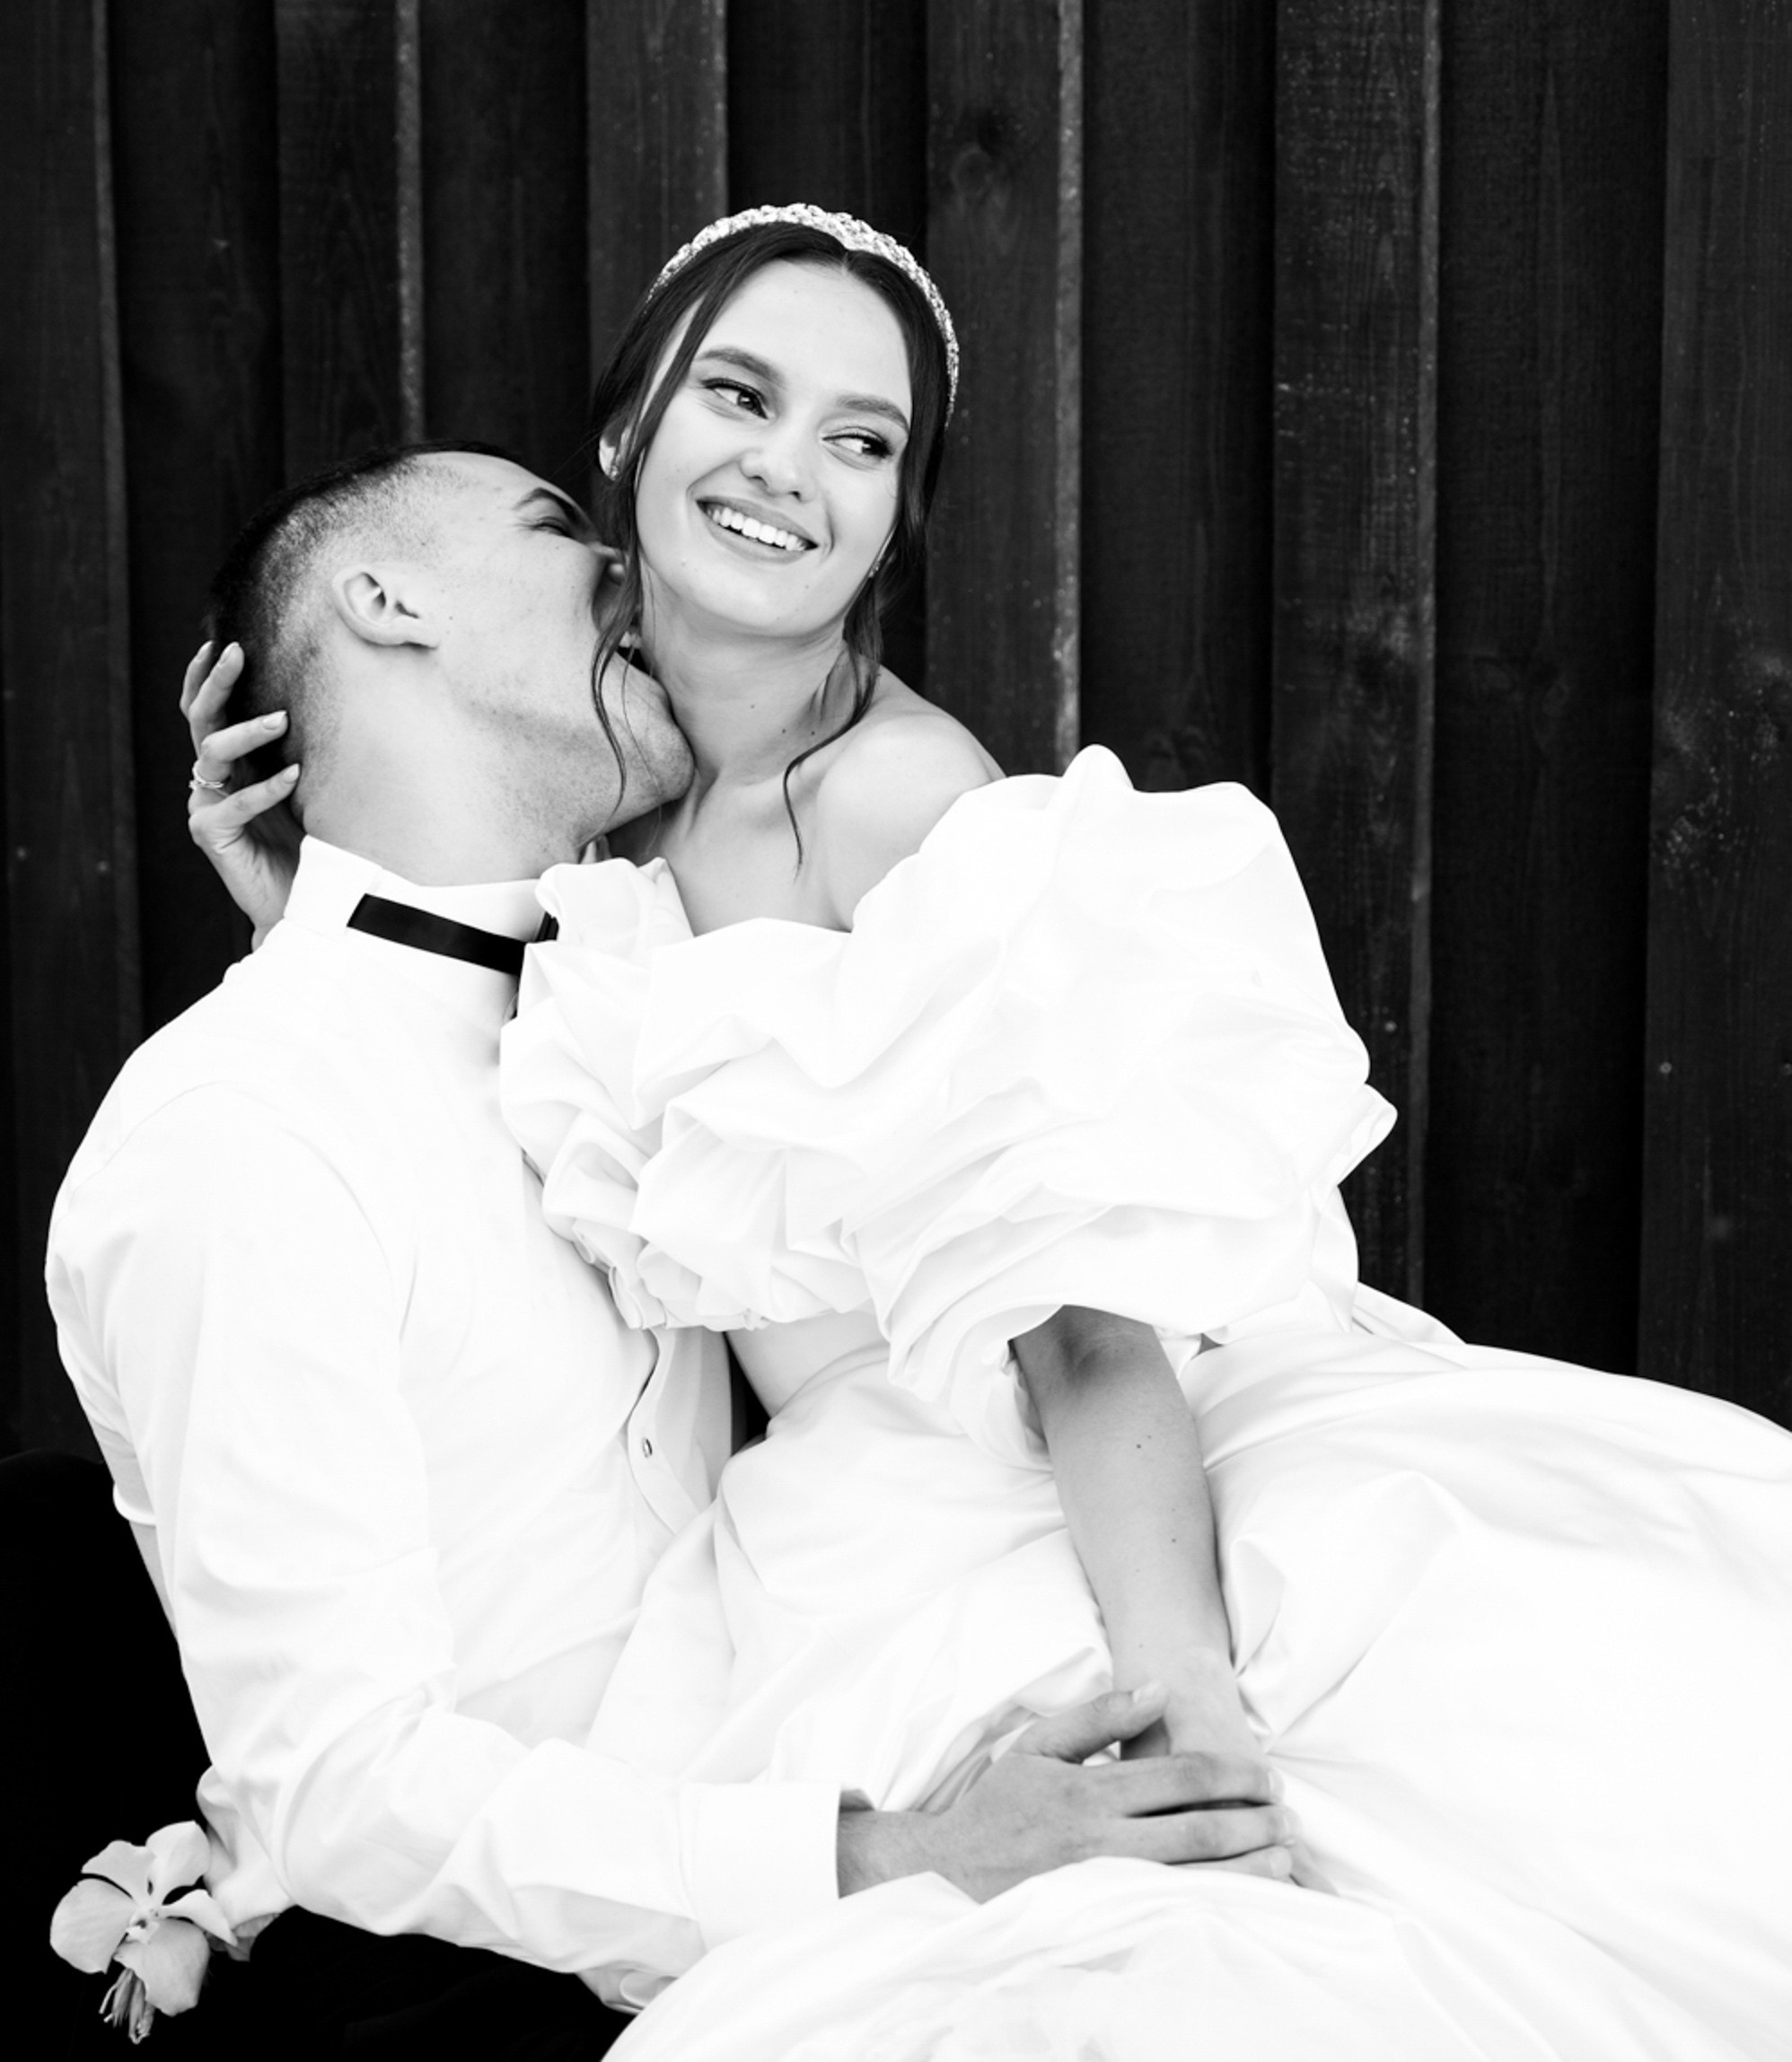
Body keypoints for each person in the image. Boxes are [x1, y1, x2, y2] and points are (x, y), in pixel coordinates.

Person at [184, 216, 1792, 2060]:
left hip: (1041, 1468)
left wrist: (1188, 1709)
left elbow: (1083, 1320)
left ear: (895, 517)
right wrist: (310, 916)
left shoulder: (897, 806)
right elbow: (492, 1102)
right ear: (627, 434)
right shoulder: (590, 795)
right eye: (741, 393)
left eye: (862, 443)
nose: (789, 469)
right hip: (801, 1537)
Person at [42, 441, 1287, 2057]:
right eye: (559, 526)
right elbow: (341, 1786)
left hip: (818, 1890)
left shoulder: (628, 1029)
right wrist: (898, 1857)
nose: (637, 565)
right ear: (383, 598)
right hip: (477, 2000)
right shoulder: (242, 1128)